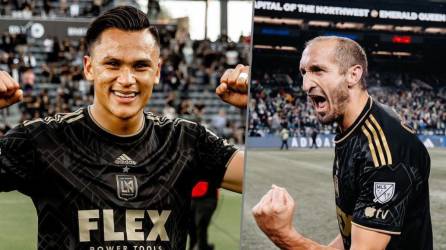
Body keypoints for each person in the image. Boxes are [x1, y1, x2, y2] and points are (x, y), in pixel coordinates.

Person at [0, 6, 248, 250]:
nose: (127, 80)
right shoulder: (43, 140)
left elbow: (257, 179)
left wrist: (254, 107)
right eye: (113, 64)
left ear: (157, 71)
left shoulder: (185, 140)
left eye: (140, 66)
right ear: (89, 67)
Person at [252, 36, 432, 249]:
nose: (306, 84)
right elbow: (356, 230)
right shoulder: (355, 126)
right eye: (303, 72)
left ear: (353, 74)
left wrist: (283, 235)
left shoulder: (384, 153)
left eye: (318, 70)